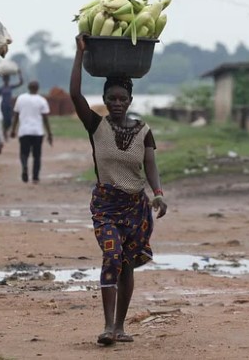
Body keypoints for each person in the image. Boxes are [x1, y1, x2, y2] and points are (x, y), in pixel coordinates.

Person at [70, 34, 168, 346]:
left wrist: (158, 192)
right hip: (106, 205)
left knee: (126, 264)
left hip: (135, 206)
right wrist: (79, 53)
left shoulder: (143, 131)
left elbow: (150, 164)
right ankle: (108, 326)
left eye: (121, 99)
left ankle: (120, 326)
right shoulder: (96, 126)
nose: (115, 103)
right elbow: (74, 94)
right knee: (111, 255)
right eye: (110, 99)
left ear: (129, 101)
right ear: (104, 100)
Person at [10, 81, 53, 183]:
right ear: (37, 88)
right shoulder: (42, 100)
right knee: (37, 156)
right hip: (37, 132)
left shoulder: (21, 98)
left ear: (28, 88)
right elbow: (45, 119)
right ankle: (35, 177)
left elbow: (16, 115)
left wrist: (13, 130)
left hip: (24, 131)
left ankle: (24, 166)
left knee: (24, 153)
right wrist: (49, 133)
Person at [0, 69, 23, 140]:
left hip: (9, 105)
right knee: (5, 119)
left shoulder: (11, 87)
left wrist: (20, 74)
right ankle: (4, 133)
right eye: (5, 79)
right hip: (3, 105)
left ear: (9, 80)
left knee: (9, 120)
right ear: (3, 80)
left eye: (7, 79)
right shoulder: (1, 88)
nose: (6, 81)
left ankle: (5, 131)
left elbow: (21, 83)